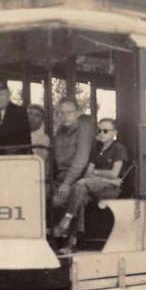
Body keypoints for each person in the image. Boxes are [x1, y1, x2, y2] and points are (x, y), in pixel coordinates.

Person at [53, 118, 128, 251]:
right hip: (94, 186)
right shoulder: (96, 148)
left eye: (106, 131)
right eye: (99, 130)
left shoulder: (118, 148)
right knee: (78, 199)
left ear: (114, 133)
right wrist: (105, 177)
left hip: (110, 189)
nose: (102, 133)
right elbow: (88, 173)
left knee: (80, 185)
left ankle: (66, 219)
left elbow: (114, 173)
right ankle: (73, 243)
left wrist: (99, 174)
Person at [52, 97, 96, 242]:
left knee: (60, 199)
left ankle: (72, 238)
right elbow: (53, 159)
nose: (65, 116)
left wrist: (66, 183)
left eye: (69, 112)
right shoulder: (59, 132)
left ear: (77, 113)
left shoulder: (84, 129)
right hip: (60, 177)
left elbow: (81, 159)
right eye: (61, 113)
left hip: (79, 176)